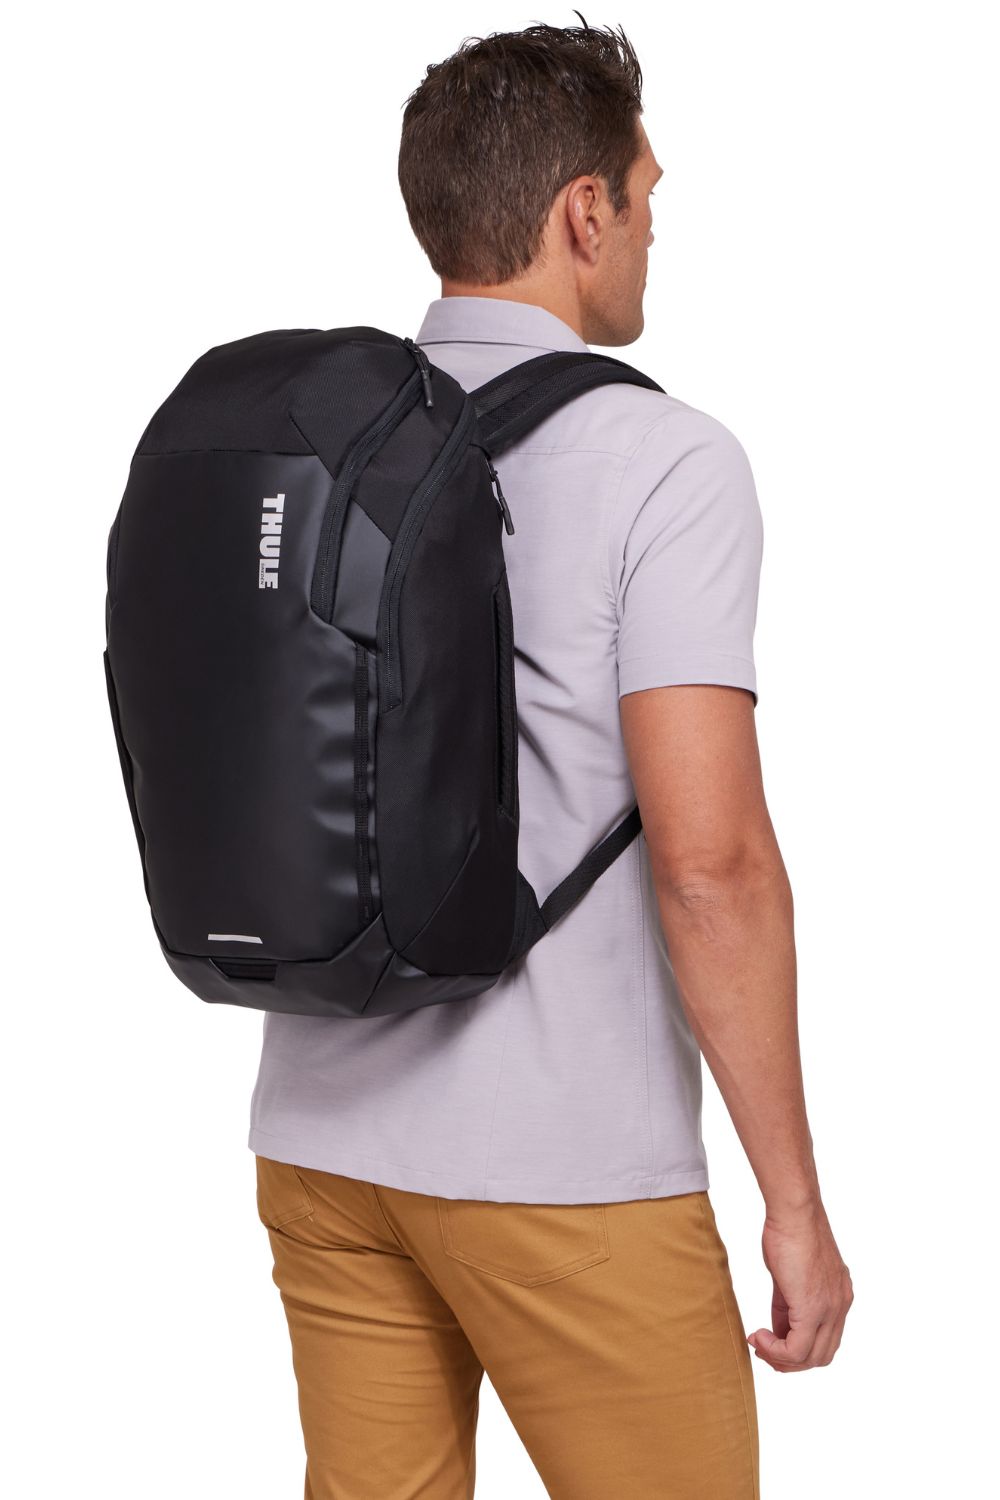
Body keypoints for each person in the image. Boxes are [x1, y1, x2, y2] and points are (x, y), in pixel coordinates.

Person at [249, 19, 853, 1499]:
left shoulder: (317, 442)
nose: (650, 233)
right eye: (645, 198)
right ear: (586, 211)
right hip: (566, 1168)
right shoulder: (667, 462)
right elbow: (712, 867)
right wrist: (794, 1202)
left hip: (321, 1138)